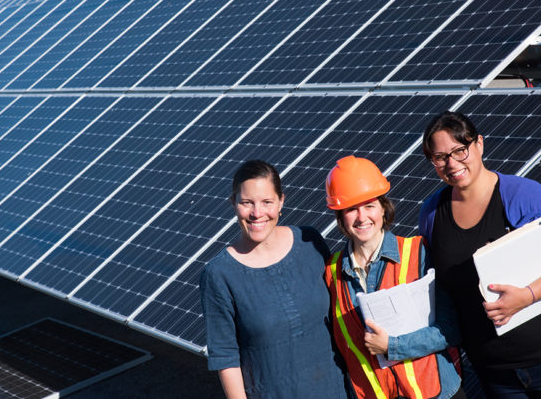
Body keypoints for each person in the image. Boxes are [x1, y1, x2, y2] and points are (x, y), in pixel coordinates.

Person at [418, 110, 541, 398]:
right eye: (440, 157)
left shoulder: (523, 195)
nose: (452, 163)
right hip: (498, 375)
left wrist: (528, 295)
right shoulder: (432, 214)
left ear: (479, 144)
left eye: (460, 150)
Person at [199, 159, 348, 399]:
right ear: (233, 203)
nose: (257, 213)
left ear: (281, 202)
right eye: (247, 203)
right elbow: (226, 357)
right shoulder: (218, 275)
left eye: (267, 202)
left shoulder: (310, 242)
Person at [324, 155, 464, 399]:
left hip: (437, 393)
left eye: (369, 205)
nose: (361, 217)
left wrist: (392, 347)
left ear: (382, 207)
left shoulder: (418, 253)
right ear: (340, 216)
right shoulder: (332, 273)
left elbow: (450, 330)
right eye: (350, 209)